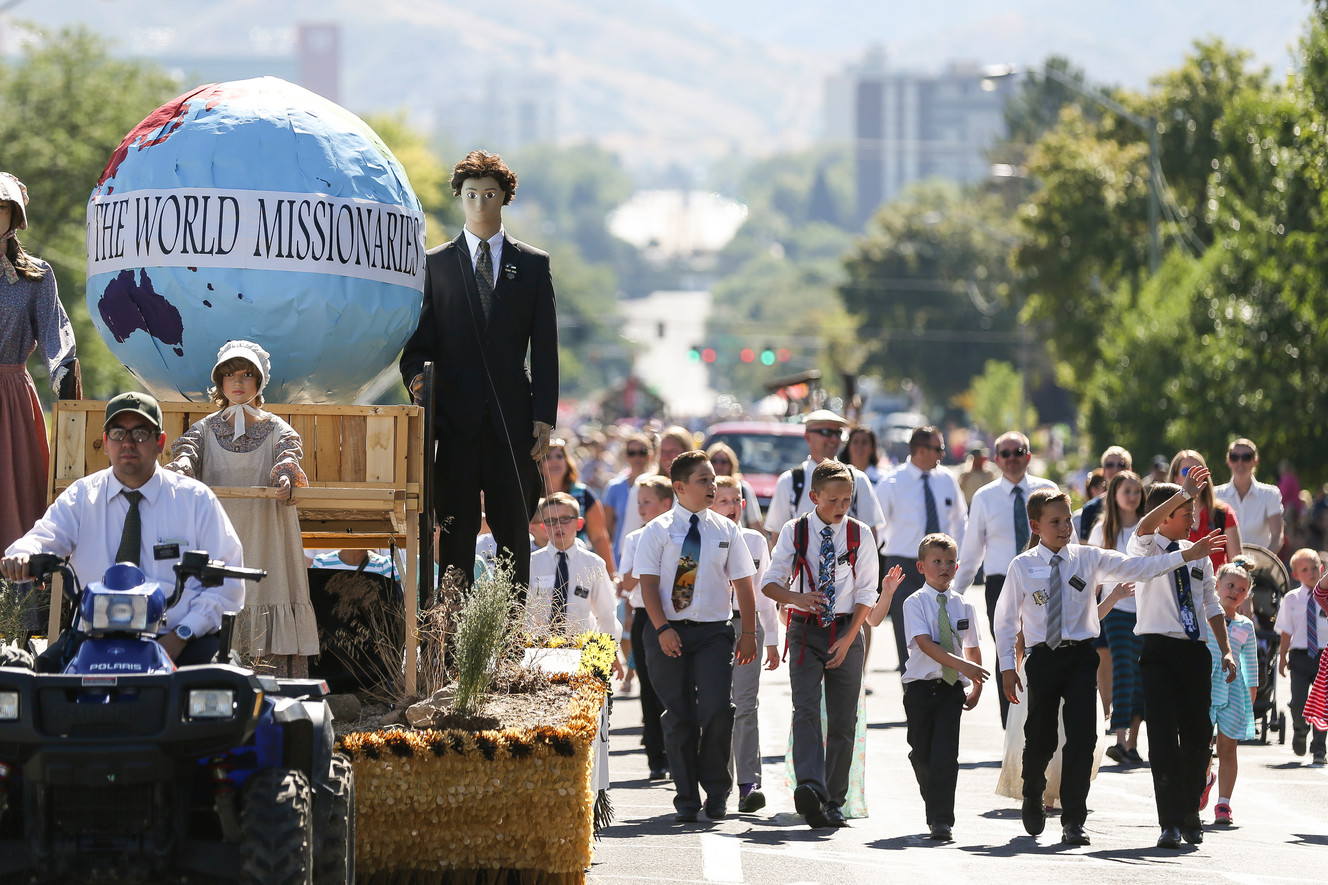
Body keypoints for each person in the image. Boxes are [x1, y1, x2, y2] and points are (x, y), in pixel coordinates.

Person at [994, 478, 1224, 847]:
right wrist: (1008, 666)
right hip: (1043, 659)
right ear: (1036, 526)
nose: (1065, 528)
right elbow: (1005, 620)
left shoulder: (1088, 557)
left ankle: (1073, 820)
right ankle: (1033, 790)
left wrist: (1186, 555)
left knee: (1084, 739)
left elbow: (1139, 567)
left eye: (1068, 520)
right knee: (1040, 738)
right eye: (1055, 522)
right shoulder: (1022, 566)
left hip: (1081, 658)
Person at [399, 149, 558, 594]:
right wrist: (416, 380)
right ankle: (448, 648)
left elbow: (545, 348)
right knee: (453, 540)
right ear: (459, 197)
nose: (481, 203)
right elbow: (416, 346)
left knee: (514, 541)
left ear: (505, 197)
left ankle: (509, 652)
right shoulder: (435, 264)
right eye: (472, 194)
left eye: (490, 194)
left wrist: (544, 416)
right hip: (454, 425)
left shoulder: (532, 264)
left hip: (514, 424)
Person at [2, 393, 243, 667]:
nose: (128, 442)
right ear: (105, 443)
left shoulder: (196, 500)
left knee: (223, 688)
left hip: (178, 639)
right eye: (117, 433)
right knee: (29, 692)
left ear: (160, 443)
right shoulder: (81, 496)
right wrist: (24, 555)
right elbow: (43, 538)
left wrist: (181, 636)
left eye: (140, 433)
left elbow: (229, 583)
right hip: (92, 638)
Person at [166, 340, 318, 676]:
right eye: (230, 374)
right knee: (216, 593)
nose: (238, 382)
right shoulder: (204, 430)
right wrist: (180, 469)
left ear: (259, 382)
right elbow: (187, 455)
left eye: (247, 374)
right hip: (218, 530)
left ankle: (273, 682)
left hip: (268, 531)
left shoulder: (277, 428)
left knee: (268, 588)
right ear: (220, 382)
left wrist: (284, 474)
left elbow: (288, 455)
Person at [635, 451, 757, 822]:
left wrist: (748, 632)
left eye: (714, 480)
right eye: (704, 481)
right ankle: (686, 797)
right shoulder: (656, 531)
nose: (713, 486)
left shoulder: (726, 529)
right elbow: (648, 586)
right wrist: (662, 629)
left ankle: (717, 790)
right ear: (679, 487)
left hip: (713, 634)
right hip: (668, 632)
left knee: (719, 710)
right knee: (679, 716)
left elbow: (744, 584)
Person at [762, 459, 879, 829]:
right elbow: (770, 582)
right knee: (807, 710)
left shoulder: (859, 534)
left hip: (846, 628)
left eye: (847, 499)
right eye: (833, 500)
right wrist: (795, 599)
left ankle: (834, 799)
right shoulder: (795, 531)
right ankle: (810, 788)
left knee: (844, 720)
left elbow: (867, 592)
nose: (841, 507)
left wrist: (848, 639)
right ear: (814, 496)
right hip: (804, 630)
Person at [1125, 479, 1237, 850]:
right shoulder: (1145, 545)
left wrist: (1225, 649)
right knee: (1162, 738)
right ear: (1166, 515)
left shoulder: (1199, 552)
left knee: (1198, 735)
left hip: (1193, 650)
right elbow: (1143, 525)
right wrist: (1182, 492)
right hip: (1157, 651)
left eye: (1192, 510)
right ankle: (1170, 822)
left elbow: (1210, 604)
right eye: (1185, 511)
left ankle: (1190, 809)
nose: (1192, 517)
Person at [876, 533, 987, 841]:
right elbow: (924, 644)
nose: (944, 567)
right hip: (920, 689)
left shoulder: (965, 605)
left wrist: (975, 683)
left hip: (952, 690)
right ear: (921, 567)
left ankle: (941, 820)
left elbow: (973, 647)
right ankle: (934, 796)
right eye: (937, 562)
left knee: (946, 756)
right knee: (922, 753)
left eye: (950, 562)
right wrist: (963, 665)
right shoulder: (914, 603)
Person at [952, 431, 1056, 727]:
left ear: (1028, 456)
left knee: (1042, 648)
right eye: (1005, 454)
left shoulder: (1047, 489)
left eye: (1018, 452)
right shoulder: (985, 497)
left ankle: (1040, 719)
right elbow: (972, 551)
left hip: (1043, 578)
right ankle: (1011, 724)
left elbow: (1064, 536)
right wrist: (955, 595)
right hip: (1001, 582)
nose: (1012, 459)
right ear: (996, 459)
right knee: (1007, 649)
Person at [0, 171, 80, 553]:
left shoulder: (36, 276)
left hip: (10, 400)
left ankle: (17, 605)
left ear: (14, 216)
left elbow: (56, 333)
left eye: (0, 208)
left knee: (13, 495)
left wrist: (63, 370)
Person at [711, 475, 779, 813]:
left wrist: (772, 640)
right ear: (709, 504)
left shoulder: (755, 541)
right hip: (712, 628)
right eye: (722, 500)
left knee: (746, 704)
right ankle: (716, 785)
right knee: (716, 707)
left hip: (748, 626)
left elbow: (765, 594)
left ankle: (749, 784)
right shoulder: (704, 537)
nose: (731, 507)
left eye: (736, 500)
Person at [875, 426, 967, 674]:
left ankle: (945, 685)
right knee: (909, 635)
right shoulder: (892, 482)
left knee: (943, 630)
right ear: (921, 450)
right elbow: (876, 529)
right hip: (904, 565)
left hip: (942, 565)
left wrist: (955, 556)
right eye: (938, 448)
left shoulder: (946, 479)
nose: (943, 454)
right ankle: (914, 696)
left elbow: (960, 519)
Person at [618, 474, 676, 781]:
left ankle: (678, 749)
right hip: (645, 617)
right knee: (649, 688)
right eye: (639, 503)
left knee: (677, 687)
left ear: (666, 503)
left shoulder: (680, 534)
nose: (641, 508)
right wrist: (648, 559)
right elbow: (626, 584)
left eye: (647, 502)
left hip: (677, 616)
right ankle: (656, 756)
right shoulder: (635, 539)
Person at [1088, 470, 1147, 765]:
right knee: (1123, 667)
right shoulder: (1103, 529)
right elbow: (1093, 573)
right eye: (1127, 491)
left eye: (1137, 491)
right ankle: (1119, 737)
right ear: (1114, 495)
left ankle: (1132, 744)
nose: (1133, 496)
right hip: (1116, 610)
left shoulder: (1148, 528)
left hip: (1147, 611)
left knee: (1140, 675)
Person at [764, 410, 886, 551]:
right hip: (801, 571)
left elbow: (871, 535)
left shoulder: (858, 479)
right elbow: (777, 537)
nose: (833, 439)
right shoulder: (789, 481)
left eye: (838, 433)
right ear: (808, 436)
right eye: (826, 432)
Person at [527, 493, 623, 660]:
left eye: (565, 519)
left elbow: (607, 614)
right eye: (551, 521)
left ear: (579, 523)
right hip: (538, 652)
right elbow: (524, 613)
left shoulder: (593, 564)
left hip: (580, 652)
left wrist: (607, 654)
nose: (558, 526)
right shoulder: (531, 563)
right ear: (543, 527)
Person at [1203, 556, 1258, 826]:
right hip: (1205, 687)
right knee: (1202, 746)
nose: (1235, 593)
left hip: (1233, 692)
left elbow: (1251, 663)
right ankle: (1203, 780)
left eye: (1242, 589)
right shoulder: (1205, 616)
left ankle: (1223, 804)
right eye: (1230, 586)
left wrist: (1252, 692)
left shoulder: (1245, 625)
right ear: (1216, 586)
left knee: (1228, 748)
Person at [1277, 548, 1328, 764]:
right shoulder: (1291, 599)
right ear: (1296, 575)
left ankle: (1319, 748)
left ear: (1322, 569)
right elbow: (1286, 631)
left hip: (1323, 656)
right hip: (1299, 657)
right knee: (1298, 701)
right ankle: (1300, 729)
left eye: (1315, 567)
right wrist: (1282, 658)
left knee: (1322, 704)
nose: (1311, 573)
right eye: (1305, 569)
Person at [541, 437, 616, 574]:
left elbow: (599, 537)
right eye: (547, 457)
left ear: (567, 461)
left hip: (578, 568)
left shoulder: (583, 494)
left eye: (559, 456)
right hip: (539, 568)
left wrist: (611, 575)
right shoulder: (530, 496)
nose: (555, 461)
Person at [617, 426, 694, 546]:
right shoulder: (644, 484)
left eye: (673, 450)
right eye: (663, 451)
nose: (667, 456)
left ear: (687, 452)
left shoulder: (698, 486)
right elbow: (630, 531)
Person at [1168, 450, 1241, 569]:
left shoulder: (1223, 513)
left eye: (1199, 471)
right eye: (1187, 472)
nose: (1194, 476)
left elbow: (1237, 563)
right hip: (1180, 586)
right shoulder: (1166, 515)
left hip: (1217, 586)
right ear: (1176, 478)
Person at [1214, 438, 1283, 553]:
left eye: (1246, 457)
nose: (1240, 462)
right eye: (1235, 457)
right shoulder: (1215, 494)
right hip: (1224, 568)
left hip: (1260, 567)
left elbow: (1277, 537)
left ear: (1255, 461)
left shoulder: (1270, 494)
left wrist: (1263, 564)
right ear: (1228, 460)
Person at [603, 432, 653, 561]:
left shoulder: (659, 485)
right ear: (626, 456)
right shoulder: (614, 487)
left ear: (650, 455)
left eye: (642, 452)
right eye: (632, 453)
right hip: (621, 556)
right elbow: (608, 529)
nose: (637, 457)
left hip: (652, 553)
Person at [1076, 446, 1132, 543]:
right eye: (1110, 465)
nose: (1116, 469)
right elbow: (1085, 550)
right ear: (1104, 471)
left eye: (1121, 465)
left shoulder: (1141, 504)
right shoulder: (1091, 508)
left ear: (1130, 470)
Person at [706, 441, 763, 531]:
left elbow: (755, 523)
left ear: (731, 464)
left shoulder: (743, 488)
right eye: (714, 461)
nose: (718, 465)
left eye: (724, 461)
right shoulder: (702, 489)